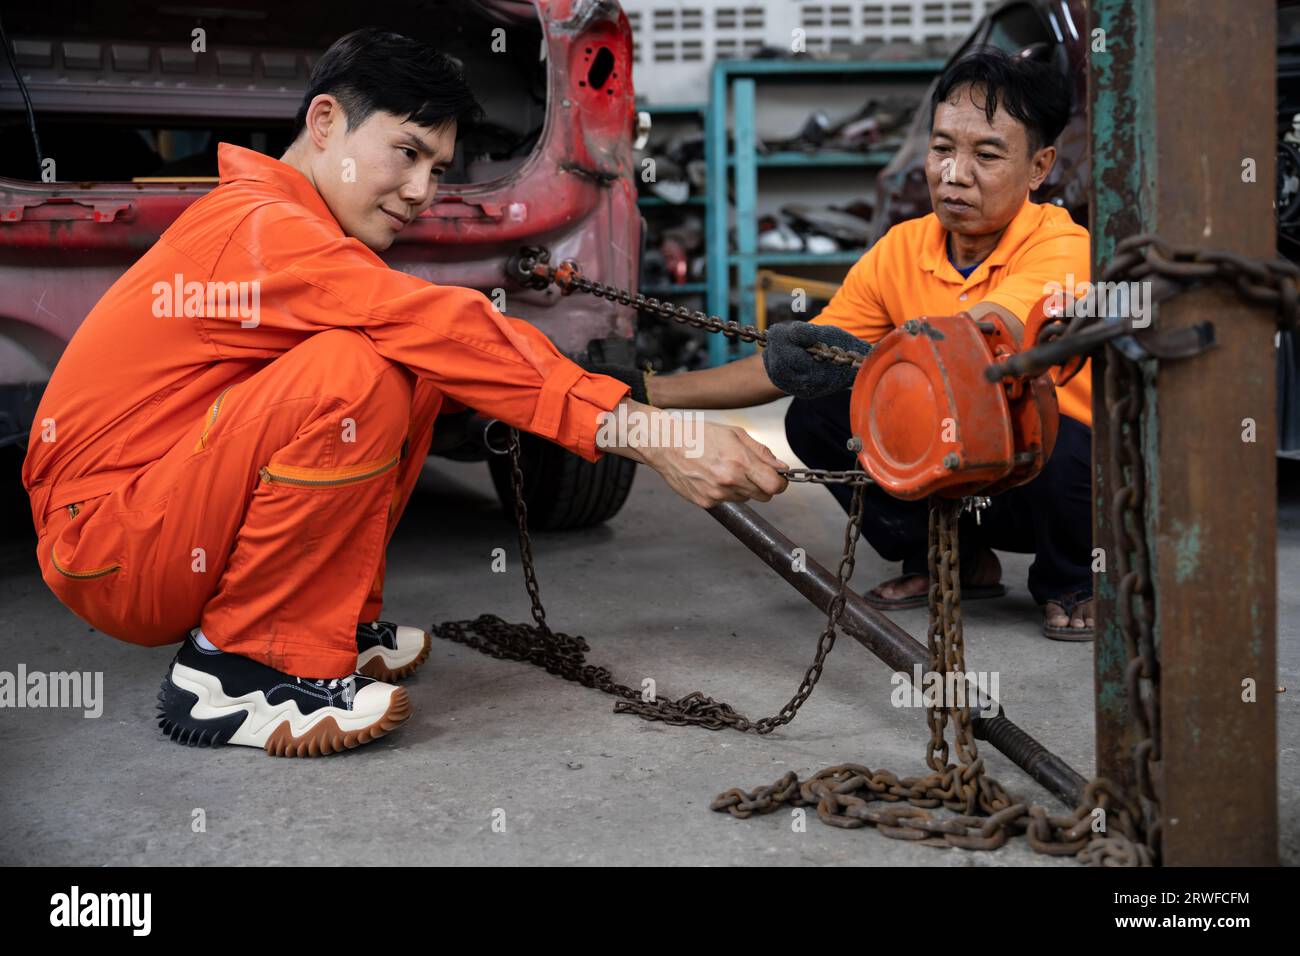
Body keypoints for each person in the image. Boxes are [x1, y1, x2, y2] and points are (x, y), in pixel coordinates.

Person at [22, 28, 789, 757]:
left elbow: (447, 347)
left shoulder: (289, 226)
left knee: (414, 367)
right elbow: (432, 320)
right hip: (111, 548)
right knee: (356, 371)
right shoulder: (257, 228)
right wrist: (650, 436)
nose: (423, 190)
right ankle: (238, 669)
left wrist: (616, 400)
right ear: (325, 122)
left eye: (440, 169)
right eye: (407, 152)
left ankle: (321, 622)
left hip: (151, 517)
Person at [644, 48, 1095, 641]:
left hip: (1050, 484)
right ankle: (951, 558)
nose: (954, 174)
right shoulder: (901, 249)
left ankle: (1073, 580)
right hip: (960, 465)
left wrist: (872, 362)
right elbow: (806, 362)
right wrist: (645, 393)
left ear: (1038, 168)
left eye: (986, 155)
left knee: (1054, 426)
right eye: (941, 149)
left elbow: (977, 341)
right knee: (818, 410)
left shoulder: (1062, 246)